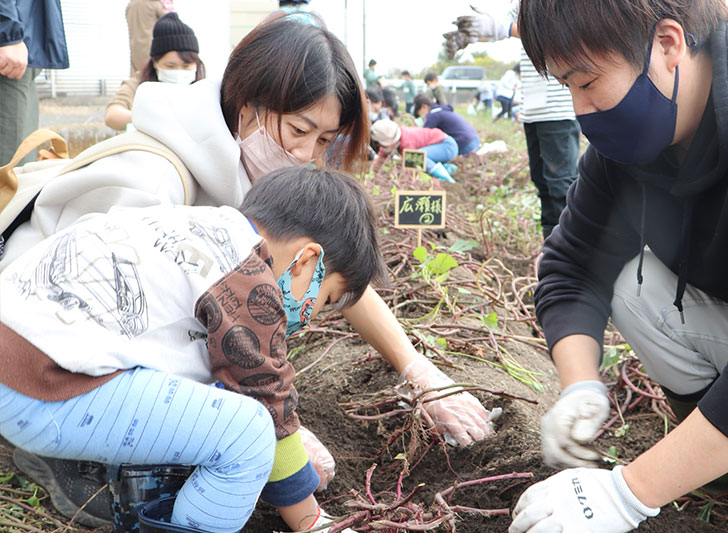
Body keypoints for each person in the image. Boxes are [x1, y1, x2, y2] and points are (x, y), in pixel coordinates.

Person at [1, 13, 493, 526]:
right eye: (300, 130)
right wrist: (275, 429)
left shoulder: (259, 196)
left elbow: (332, 275)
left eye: (325, 141)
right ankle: (75, 464)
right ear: (248, 104)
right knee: (237, 435)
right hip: (49, 364)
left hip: (37, 352)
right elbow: (104, 308)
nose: (307, 155)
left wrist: (417, 369)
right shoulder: (155, 175)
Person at [508, 1, 728, 532]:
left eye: (587, 81)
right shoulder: (632, 146)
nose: (581, 110)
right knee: (632, 287)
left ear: (667, 44)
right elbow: (571, 265)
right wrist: (579, 386)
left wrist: (626, 494)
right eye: (566, 88)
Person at [0, 167, 383, 533]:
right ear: (307, 260)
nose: (311, 316)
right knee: (249, 433)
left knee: (206, 402)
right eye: (325, 298)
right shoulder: (251, 281)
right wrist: (310, 518)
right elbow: (270, 404)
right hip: (41, 382)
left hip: (19, 362)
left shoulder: (200, 226)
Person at [446, 4, 580, 241]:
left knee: (560, 185)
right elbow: (507, 25)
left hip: (558, 108)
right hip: (535, 107)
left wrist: (504, 28)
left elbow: (555, 30)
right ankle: (552, 246)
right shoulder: (526, 5)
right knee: (543, 183)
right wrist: (474, 33)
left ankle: (571, 250)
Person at [106, 12, 205, 131]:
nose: (179, 72)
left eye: (186, 66)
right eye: (170, 66)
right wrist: (153, 119)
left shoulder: (205, 88)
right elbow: (112, 116)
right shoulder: (139, 84)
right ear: (155, 63)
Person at [0, 0, 68, 167]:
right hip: (11, 45)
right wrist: (6, 32)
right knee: (11, 169)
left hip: (23, 39)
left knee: (22, 162)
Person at [370, 119, 456, 183]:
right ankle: (446, 168)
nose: (380, 146)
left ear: (392, 141)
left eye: (382, 144)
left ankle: (446, 179)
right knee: (413, 158)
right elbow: (381, 158)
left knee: (414, 158)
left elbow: (410, 169)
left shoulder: (407, 141)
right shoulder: (392, 140)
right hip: (439, 147)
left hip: (447, 146)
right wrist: (372, 174)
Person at [413, 94, 479, 156]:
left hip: (466, 145)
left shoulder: (433, 115)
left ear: (424, 106)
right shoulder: (440, 109)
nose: (423, 117)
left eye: (420, 114)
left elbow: (423, 136)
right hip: (474, 140)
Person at [126, 0, 169, 75]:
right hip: (151, 47)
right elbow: (169, 21)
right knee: (150, 75)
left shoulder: (131, 4)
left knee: (136, 76)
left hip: (134, 47)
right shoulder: (154, 4)